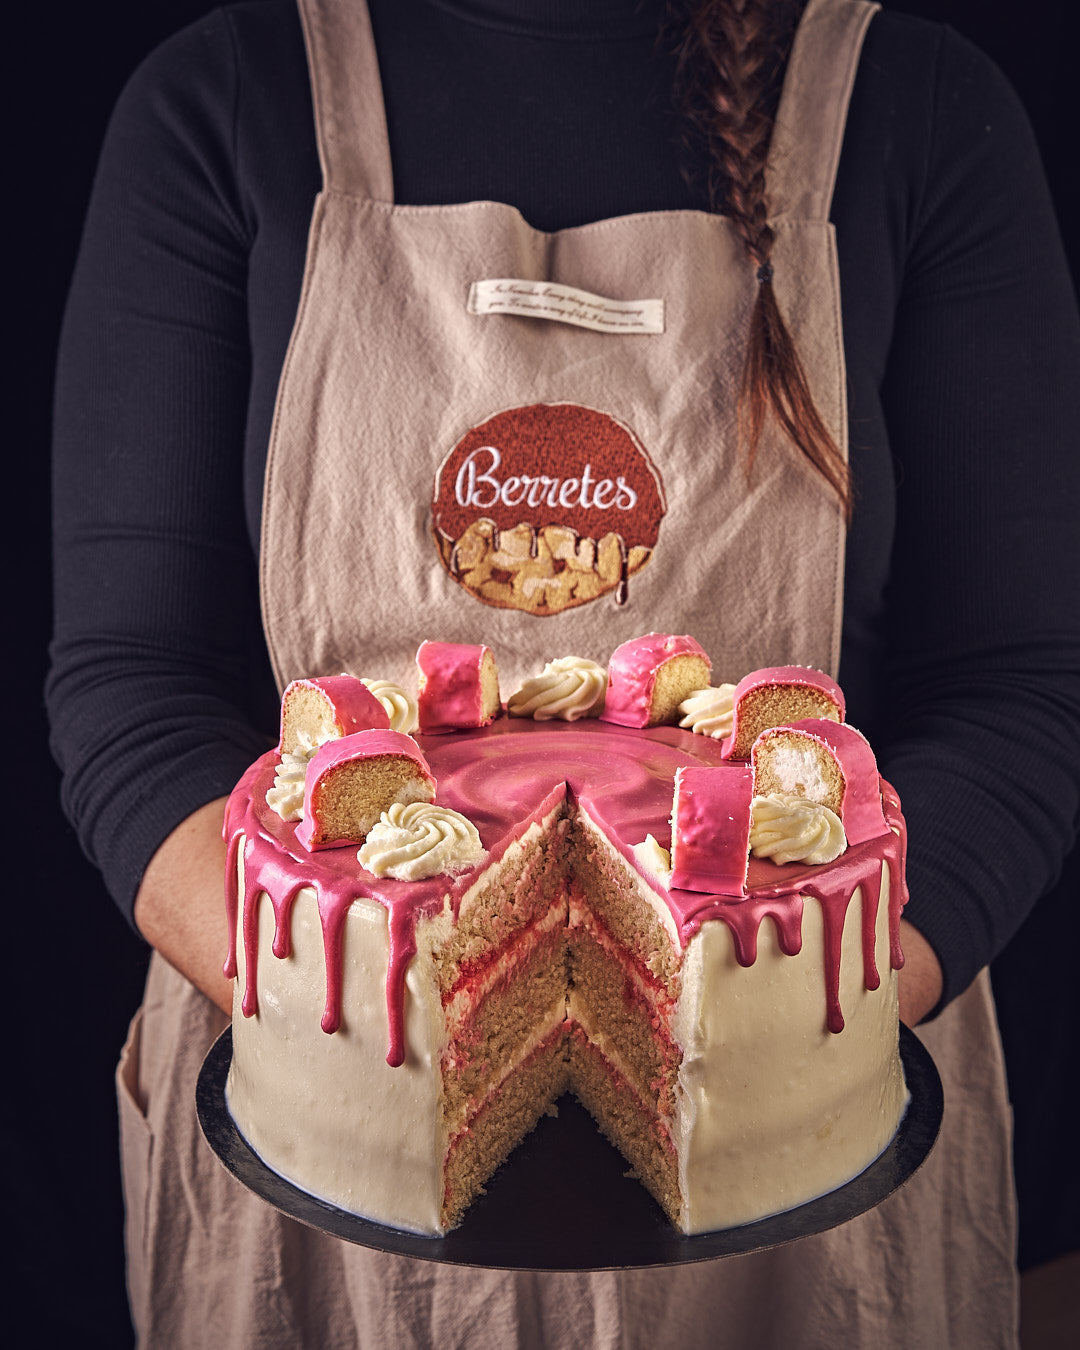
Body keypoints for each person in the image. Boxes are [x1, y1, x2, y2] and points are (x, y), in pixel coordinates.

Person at [48, 0, 1080, 1346]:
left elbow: (1021, 687)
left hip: (809, 1201)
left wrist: (767, 1040)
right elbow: (131, 688)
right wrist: (353, 1029)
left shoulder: (924, 108)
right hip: (317, 1208)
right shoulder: (223, 98)